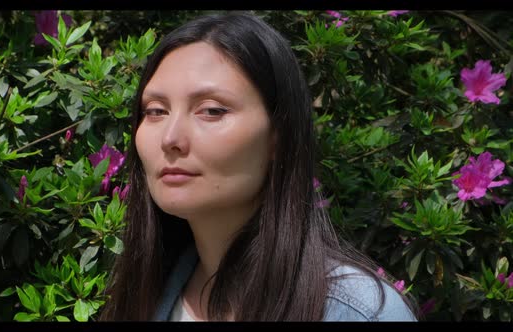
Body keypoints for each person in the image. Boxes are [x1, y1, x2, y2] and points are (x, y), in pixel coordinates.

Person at [99, 11, 418, 321]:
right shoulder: (143, 293)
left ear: (278, 136)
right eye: (155, 111)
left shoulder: (355, 311)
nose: (170, 137)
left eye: (211, 111)